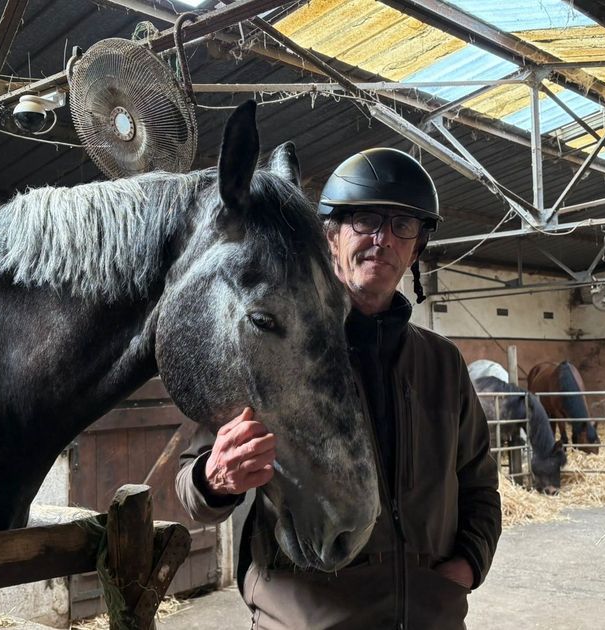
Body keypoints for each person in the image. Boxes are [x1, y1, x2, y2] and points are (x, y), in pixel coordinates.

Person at [175, 147, 502, 629]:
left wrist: (467, 566)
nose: (382, 239)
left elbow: (478, 482)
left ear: (417, 248)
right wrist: (214, 477)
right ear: (330, 236)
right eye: (365, 221)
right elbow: (190, 486)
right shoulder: (274, 343)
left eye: (402, 226)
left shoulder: (442, 363)